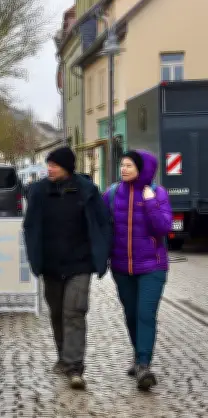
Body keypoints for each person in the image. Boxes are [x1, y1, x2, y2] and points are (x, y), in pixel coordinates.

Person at [23, 147, 112, 389]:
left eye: (54, 165)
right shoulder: (39, 191)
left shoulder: (87, 190)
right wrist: (35, 258)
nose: (49, 169)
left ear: (67, 167)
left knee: (75, 311)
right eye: (48, 164)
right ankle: (63, 355)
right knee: (57, 313)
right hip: (51, 265)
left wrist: (101, 254)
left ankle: (75, 367)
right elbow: (30, 226)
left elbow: (102, 223)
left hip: (79, 264)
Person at [104, 150, 171, 391]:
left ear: (142, 169)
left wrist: (151, 201)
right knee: (131, 315)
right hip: (122, 268)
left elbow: (163, 227)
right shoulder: (112, 194)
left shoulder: (158, 193)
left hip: (152, 266)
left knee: (145, 314)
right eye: (122, 165)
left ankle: (144, 364)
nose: (123, 169)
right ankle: (137, 354)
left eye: (129, 165)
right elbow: (99, 222)